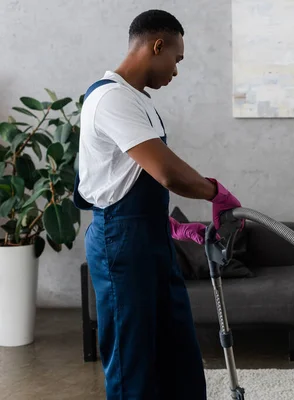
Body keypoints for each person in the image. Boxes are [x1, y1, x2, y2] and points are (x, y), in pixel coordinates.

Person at [75, 9, 242, 399]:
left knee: (177, 352)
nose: (176, 71)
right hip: (121, 242)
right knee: (133, 360)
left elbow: (129, 177)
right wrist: (215, 192)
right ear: (157, 46)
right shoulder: (111, 98)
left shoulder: (137, 100)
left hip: (149, 238)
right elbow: (166, 172)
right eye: (177, 59)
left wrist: (170, 225)